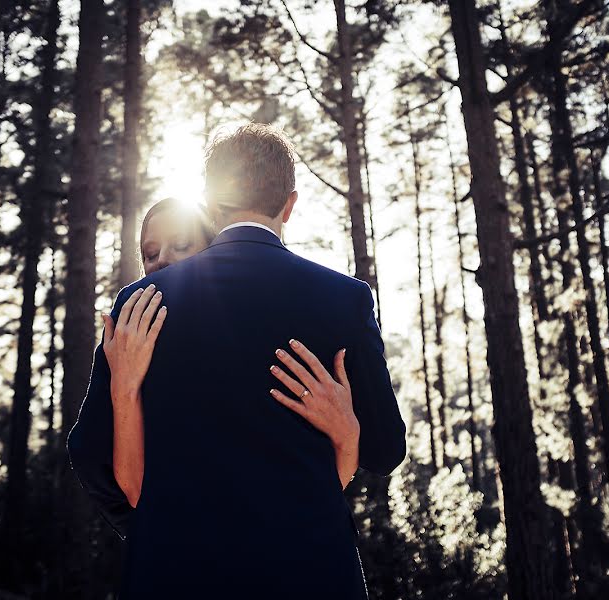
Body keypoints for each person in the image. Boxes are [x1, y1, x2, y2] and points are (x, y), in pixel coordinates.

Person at [67, 123, 406, 599]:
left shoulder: (140, 304)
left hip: (174, 574)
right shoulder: (343, 300)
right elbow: (385, 450)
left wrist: (156, 528)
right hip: (311, 573)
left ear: (209, 203)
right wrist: (347, 433)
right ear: (289, 204)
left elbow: (89, 452)